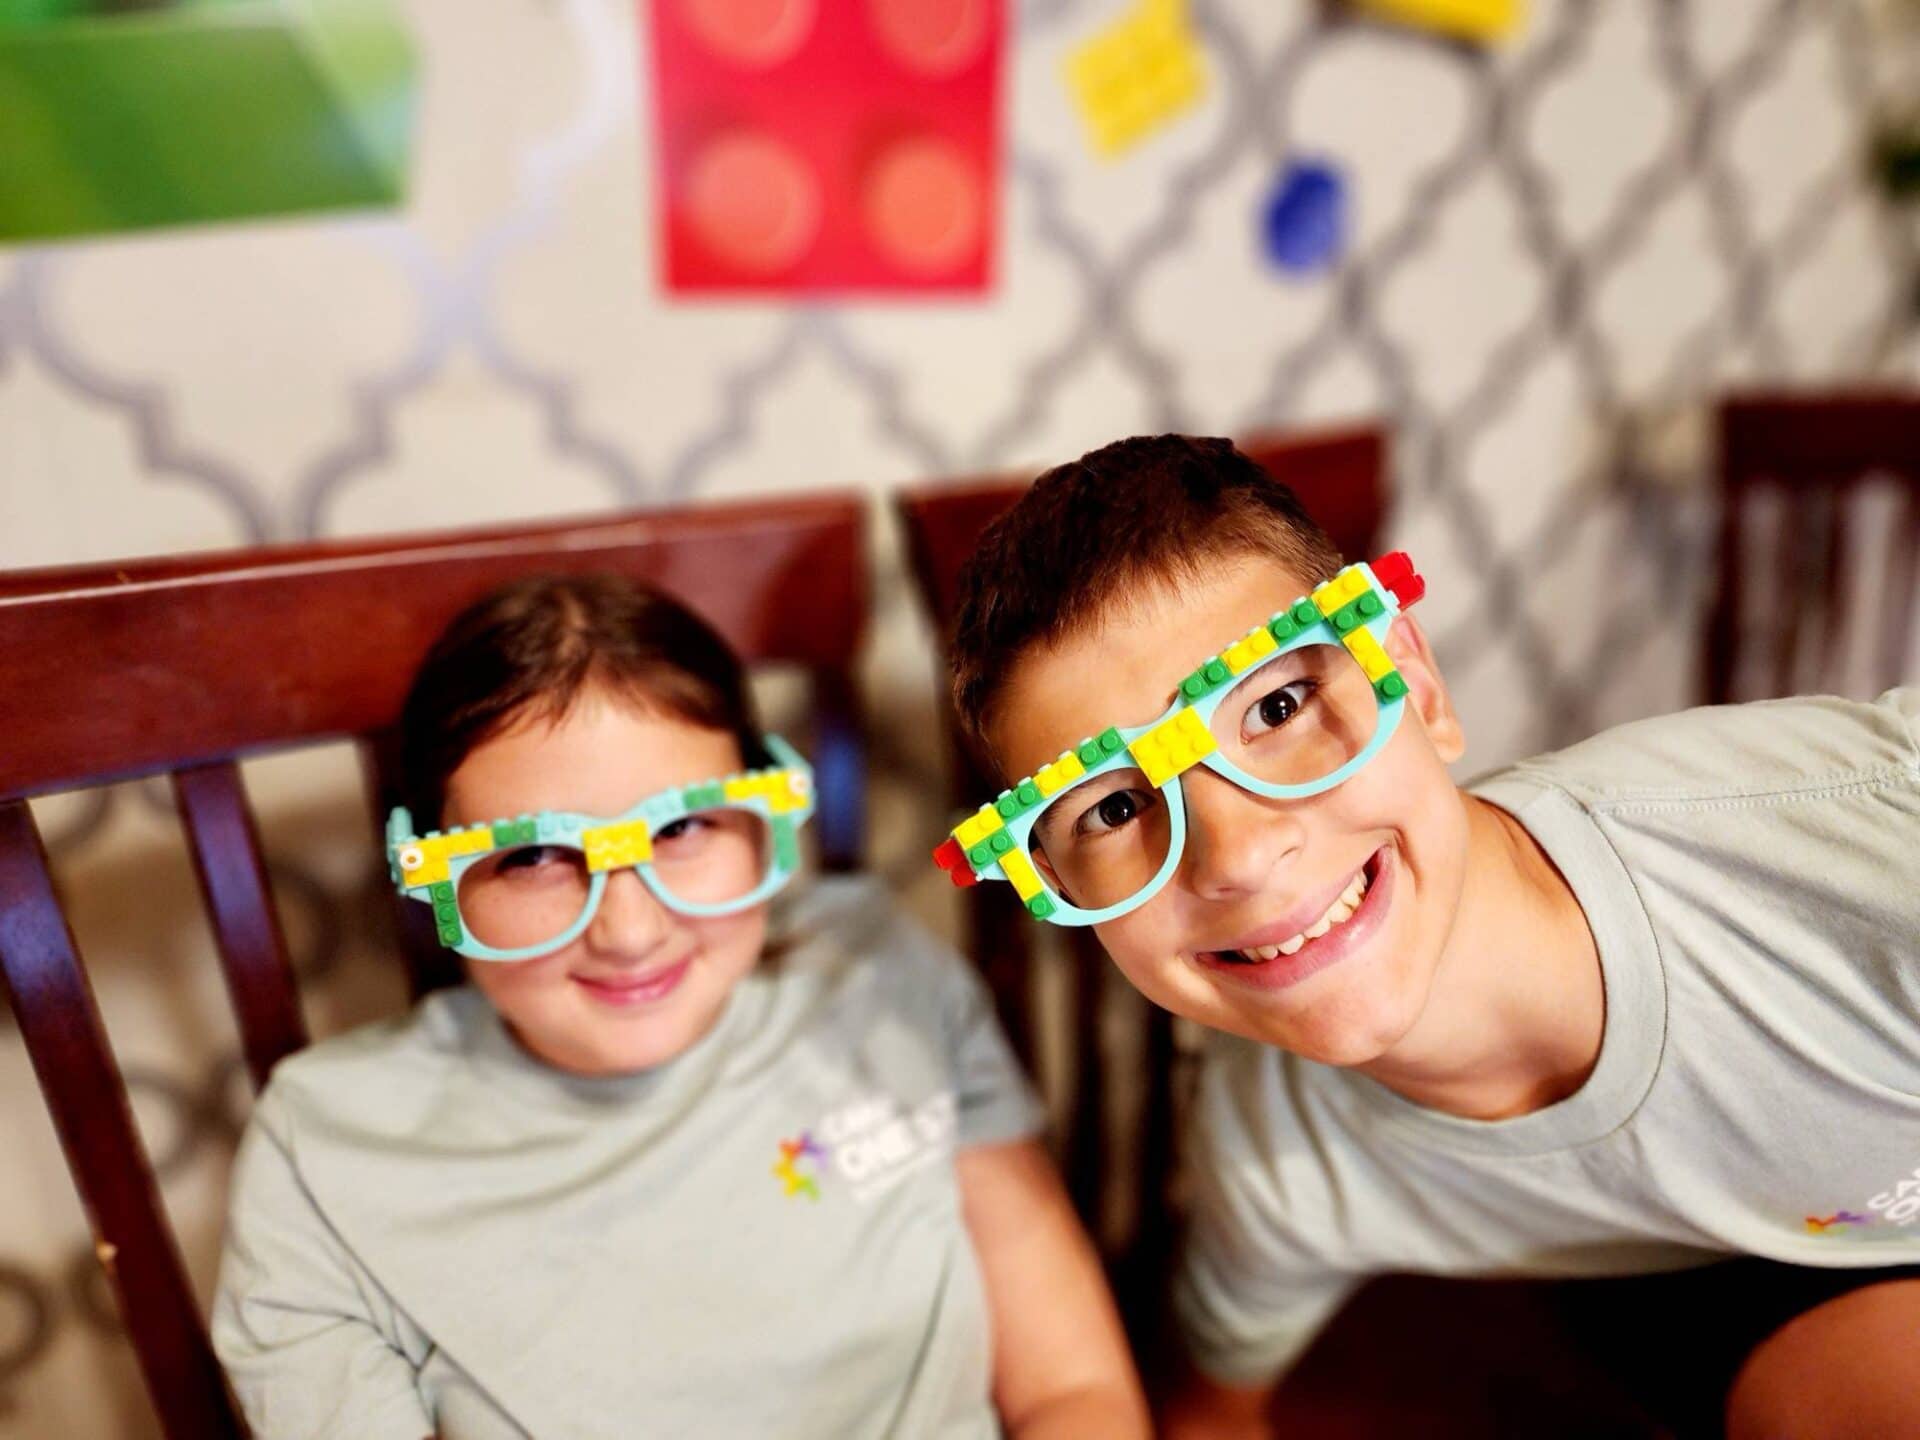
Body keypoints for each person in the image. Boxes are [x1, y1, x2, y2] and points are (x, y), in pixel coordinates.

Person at [937, 433, 1920, 1439]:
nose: (1233, 855)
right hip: (1752, 1287)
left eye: (1276, 705)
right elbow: (1214, 1410)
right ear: (1050, 886)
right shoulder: (1271, 1155)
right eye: (1109, 810)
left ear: (1421, 684)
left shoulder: (1862, 841)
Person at [214, 573, 1148, 1439]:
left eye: (685, 826)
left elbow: (1074, 1391)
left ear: (765, 818)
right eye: (534, 856)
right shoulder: (325, 1150)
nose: (629, 929)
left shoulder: (878, 970)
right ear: (430, 875)